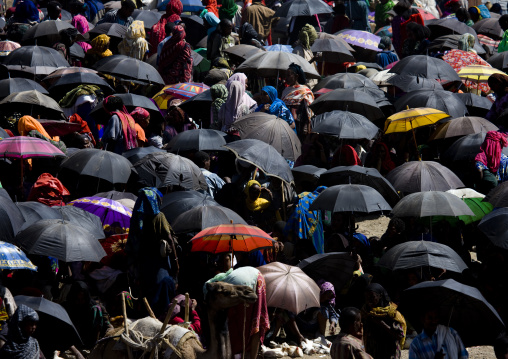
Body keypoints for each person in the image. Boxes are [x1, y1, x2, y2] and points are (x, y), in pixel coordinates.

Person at [126, 187, 178, 316]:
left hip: (143, 264)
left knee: (148, 293)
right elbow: (169, 238)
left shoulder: (137, 219)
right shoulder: (159, 217)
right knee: (162, 289)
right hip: (159, 263)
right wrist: (176, 261)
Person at [362, 283, 406, 359]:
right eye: (366, 297)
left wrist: (382, 324)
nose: (369, 300)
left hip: (389, 351)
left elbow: (399, 336)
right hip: (372, 352)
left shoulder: (391, 313)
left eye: (372, 296)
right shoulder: (365, 312)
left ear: (380, 296)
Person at [281, 63, 314, 135]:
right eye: (285, 75)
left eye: (288, 75)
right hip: (285, 123)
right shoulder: (285, 90)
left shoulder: (305, 90)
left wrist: (307, 126)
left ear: (296, 76)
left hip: (299, 124)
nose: (286, 78)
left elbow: (309, 111)